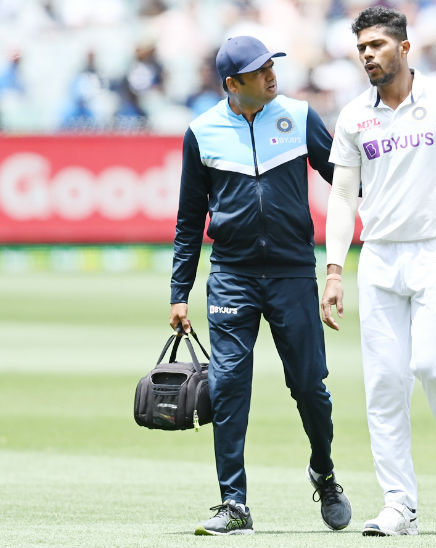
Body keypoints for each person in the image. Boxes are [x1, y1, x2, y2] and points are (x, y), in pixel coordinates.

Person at [321, 6, 436, 536]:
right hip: (378, 257)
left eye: (376, 45)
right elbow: (342, 197)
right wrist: (333, 269)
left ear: (404, 47)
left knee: (434, 366)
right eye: (361, 49)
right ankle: (399, 504)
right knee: (384, 383)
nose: (368, 55)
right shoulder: (354, 115)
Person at [169, 35, 351, 535]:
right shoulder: (201, 131)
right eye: (259, 70)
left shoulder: (300, 115)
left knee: (310, 386)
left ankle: (326, 473)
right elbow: (189, 219)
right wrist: (179, 292)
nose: (272, 74)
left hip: (293, 272)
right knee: (228, 388)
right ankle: (234, 505)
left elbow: (344, 178)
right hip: (231, 276)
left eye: (273, 65)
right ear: (233, 83)